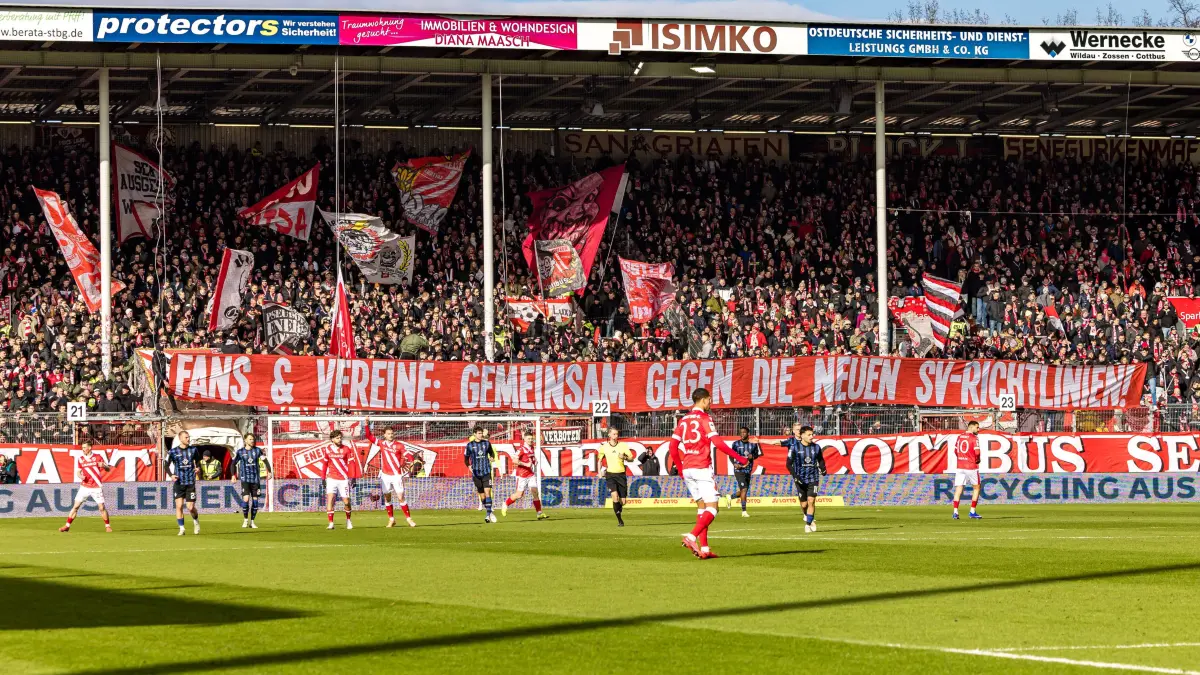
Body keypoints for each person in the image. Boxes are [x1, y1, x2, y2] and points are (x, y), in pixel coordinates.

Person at [668, 388, 747, 560]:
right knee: (713, 508)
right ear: (703, 400)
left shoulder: (683, 420)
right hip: (701, 467)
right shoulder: (705, 418)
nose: (711, 403)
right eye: (709, 400)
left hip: (688, 468)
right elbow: (718, 443)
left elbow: (672, 447)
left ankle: (704, 549)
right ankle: (691, 537)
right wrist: (740, 458)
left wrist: (680, 469)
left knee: (702, 508)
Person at [364, 425, 416, 528]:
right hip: (385, 476)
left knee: (401, 497)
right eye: (388, 434)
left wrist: (412, 460)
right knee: (387, 498)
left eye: (392, 433)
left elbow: (407, 454)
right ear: (384, 435)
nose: (391, 435)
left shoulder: (399, 445)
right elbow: (369, 436)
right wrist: (366, 425)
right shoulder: (381, 443)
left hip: (396, 475)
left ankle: (409, 519)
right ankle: (391, 519)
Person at [59, 441, 112, 533]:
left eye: (84, 447)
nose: (83, 449)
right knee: (76, 506)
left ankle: (107, 526)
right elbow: (78, 472)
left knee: (101, 507)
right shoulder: (81, 459)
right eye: (82, 447)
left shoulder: (98, 457)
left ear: (90, 447)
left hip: (96, 486)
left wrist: (103, 466)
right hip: (85, 486)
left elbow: (108, 469)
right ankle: (67, 526)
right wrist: (80, 476)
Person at [784, 424, 827, 532]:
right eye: (809, 435)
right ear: (802, 435)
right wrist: (795, 476)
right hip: (800, 479)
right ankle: (807, 517)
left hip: (813, 478)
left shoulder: (816, 447)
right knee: (804, 504)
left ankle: (808, 524)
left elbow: (820, 459)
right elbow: (788, 464)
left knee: (811, 501)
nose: (812, 436)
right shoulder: (794, 447)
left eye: (812, 434)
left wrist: (823, 468)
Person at [502, 430, 547, 520]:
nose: (530, 440)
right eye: (528, 439)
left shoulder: (532, 447)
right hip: (521, 475)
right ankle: (505, 503)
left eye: (531, 438)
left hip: (530, 474)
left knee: (535, 492)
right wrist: (525, 464)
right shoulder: (521, 449)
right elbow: (514, 460)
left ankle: (539, 513)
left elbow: (531, 458)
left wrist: (534, 461)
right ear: (524, 439)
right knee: (519, 495)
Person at [232, 433, 272, 529]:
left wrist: (269, 471)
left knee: (255, 500)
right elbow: (233, 464)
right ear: (245, 440)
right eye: (250, 439)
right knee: (246, 499)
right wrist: (233, 475)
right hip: (245, 479)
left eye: (253, 439)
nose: (252, 440)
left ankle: (252, 522)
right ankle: (245, 520)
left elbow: (265, 461)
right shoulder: (240, 452)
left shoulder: (257, 450)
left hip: (255, 480)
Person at [597, 426, 636, 526]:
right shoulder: (604, 447)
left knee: (623, 501)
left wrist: (625, 457)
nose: (616, 436)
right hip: (610, 475)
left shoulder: (623, 446)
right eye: (614, 434)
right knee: (614, 496)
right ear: (609, 434)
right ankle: (620, 521)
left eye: (617, 434)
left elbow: (631, 459)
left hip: (621, 475)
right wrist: (599, 472)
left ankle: (619, 507)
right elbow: (599, 460)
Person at [165, 431, 201, 536]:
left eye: (188, 437)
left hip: (190, 482)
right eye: (186, 437)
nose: (188, 439)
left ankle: (196, 521)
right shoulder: (173, 451)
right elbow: (166, 464)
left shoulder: (193, 450)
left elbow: (198, 461)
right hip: (179, 482)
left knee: (190, 507)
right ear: (180, 439)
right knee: (179, 505)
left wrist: (198, 468)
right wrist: (171, 475)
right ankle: (182, 528)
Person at [321, 430, 357, 529]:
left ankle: (348, 520)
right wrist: (323, 478)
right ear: (332, 439)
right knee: (330, 500)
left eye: (340, 438)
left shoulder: (346, 449)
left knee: (346, 502)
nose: (339, 439)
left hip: (343, 479)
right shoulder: (327, 449)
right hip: (331, 479)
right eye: (337, 438)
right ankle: (331, 523)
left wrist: (353, 477)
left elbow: (352, 463)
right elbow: (325, 464)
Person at [464, 426, 497, 523]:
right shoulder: (470, 445)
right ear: (474, 434)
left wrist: (492, 457)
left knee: (488, 493)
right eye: (478, 433)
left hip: (486, 472)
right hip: (476, 473)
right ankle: (490, 512)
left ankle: (487, 515)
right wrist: (468, 466)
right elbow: (466, 459)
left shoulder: (486, 443)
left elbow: (492, 453)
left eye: (481, 433)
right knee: (482, 497)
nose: (480, 435)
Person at [952, 421, 983, 520]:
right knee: (977, 488)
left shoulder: (960, 437)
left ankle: (955, 512)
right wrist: (977, 460)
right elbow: (977, 452)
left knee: (958, 488)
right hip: (971, 466)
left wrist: (962, 458)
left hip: (960, 466)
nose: (978, 429)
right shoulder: (974, 438)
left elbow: (955, 451)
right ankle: (972, 512)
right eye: (977, 427)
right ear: (971, 427)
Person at [730, 426, 763, 517]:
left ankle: (730, 497)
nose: (742, 434)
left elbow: (756, 455)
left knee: (743, 490)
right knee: (744, 489)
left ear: (748, 433)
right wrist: (734, 463)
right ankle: (744, 511)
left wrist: (753, 457)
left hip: (748, 469)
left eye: (744, 432)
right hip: (739, 469)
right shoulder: (735, 444)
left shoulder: (753, 444)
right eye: (741, 432)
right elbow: (731, 455)